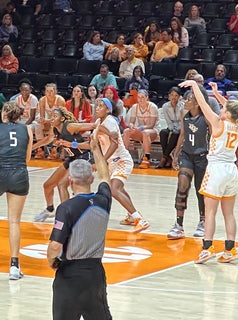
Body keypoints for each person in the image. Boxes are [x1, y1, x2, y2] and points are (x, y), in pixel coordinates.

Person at [180, 79, 238, 264]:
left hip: (217, 169)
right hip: (231, 171)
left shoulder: (218, 123)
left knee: (210, 212)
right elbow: (232, 107)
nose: (221, 110)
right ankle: (230, 249)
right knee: (229, 213)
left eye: (223, 109)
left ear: (228, 114)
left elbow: (203, 104)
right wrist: (217, 93)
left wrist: (194, 86)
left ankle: (207, 248)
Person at [46, 136, 113, 320]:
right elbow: (105, 175)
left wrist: (51, 261)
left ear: (70, 180)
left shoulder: (66, 208)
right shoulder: (104, 200)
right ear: (91, 178)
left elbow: (54, 246)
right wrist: (95, 149)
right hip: (95, 274)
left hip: (70, 276)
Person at [0, 102, 32, 280]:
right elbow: (27, 157)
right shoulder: (27, 130)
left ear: (4, 114)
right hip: (19, 175)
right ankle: (14, 266)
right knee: (14, 222)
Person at [96, 98, 150, 232]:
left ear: (108, 110)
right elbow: (92, 143)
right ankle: (132, 216)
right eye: (97, 106)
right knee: (120, 189)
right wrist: (71, 144)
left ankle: (140, 219)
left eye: (101, 106)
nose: (97, 108)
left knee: (114, 190)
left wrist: (102, 159)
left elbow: (114, 144)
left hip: (121, 160)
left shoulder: (110, 121)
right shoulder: (98, 122)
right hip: (111, 163)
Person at [33, 107, 95, 221]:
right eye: (51, 116)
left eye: (55, 116)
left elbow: (92, 125)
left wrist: (102, 125)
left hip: (83, 156)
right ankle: (50, 209)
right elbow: (48, 139)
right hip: (72, 157)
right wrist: (31, 148)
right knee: (47, 185)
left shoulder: (69, 126)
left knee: (62, 184)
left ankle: (66, 216)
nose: (52, 118)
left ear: (62, 118)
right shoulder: (55, 129)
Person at [166, 85, 210, 240]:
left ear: (198, 103)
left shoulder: (206, 118)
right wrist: (176, 155)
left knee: (200, 190)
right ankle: (178, 225)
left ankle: (203, 222)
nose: (185, 100)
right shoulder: (184, 114)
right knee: (182, 185)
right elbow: (182, 135)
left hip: (202, 157)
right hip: (187, 155)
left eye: (189, 99)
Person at [123, 90, 160, 168]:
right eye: (139, 97)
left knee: (145, 132)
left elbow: (152, 125)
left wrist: (141, 128)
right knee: (126, 131)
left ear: (147, 98)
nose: (140, 99)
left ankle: (146, 158)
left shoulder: (152, 107)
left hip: (153, 131)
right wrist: (131, 126)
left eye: (142, 97)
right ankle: (124, 156)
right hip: (141, 130)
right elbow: (131, 121)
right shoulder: (135, 107)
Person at [158, 87, 184, 169]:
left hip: (181, 126)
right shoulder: (165, 106)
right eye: (172, 95)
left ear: (179, 97)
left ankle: (164, 158)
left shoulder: (182, 106)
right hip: (171, 125)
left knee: (176, 133)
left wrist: (177, 129)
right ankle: (167, 157)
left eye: (176, 95)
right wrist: (172, 128)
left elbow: (182, 121)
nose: (174, 97)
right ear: (169, 96)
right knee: (163, 132)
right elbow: (168, 120)